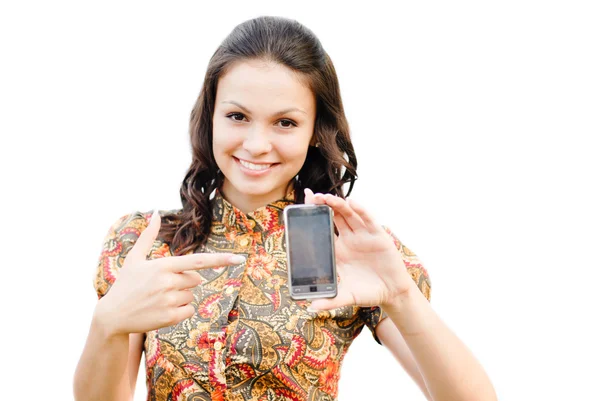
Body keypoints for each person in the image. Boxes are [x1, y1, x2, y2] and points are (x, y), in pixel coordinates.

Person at [74, 16, 497, 401]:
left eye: (285, 122)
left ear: (316, 130)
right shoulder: (145, 243)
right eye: (238, 116)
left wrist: (401, 295)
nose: (257, 144)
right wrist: (107, 322)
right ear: (211, 117)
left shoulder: (352, 251)